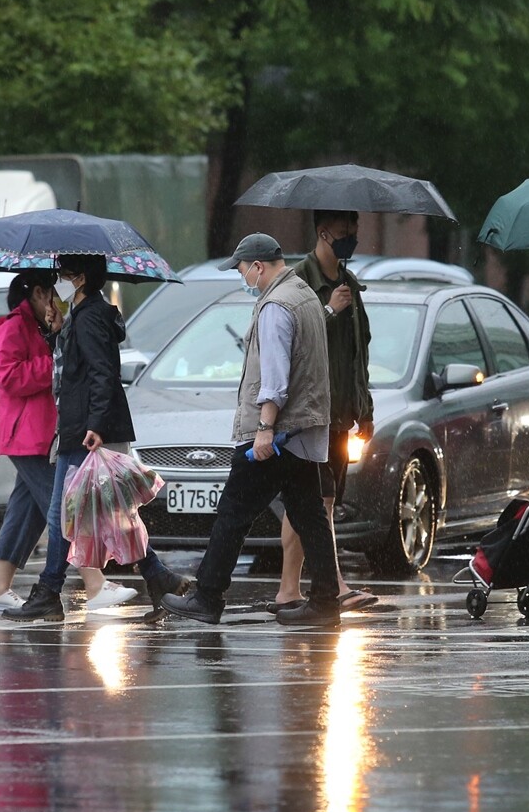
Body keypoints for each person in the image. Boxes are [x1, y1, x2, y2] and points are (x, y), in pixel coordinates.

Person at [162, 234, 341, 626]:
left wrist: (264, 428)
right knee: (310, 516)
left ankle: (208, 597)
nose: (242, 276)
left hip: (278, 434)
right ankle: (327, 601)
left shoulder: (275, 305)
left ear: (258, 266)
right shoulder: (305, 294)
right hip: (303, 430)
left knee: (232, 514)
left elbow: (276, 376)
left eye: (242, 269)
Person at [3, 254, 191, 622]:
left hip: (87, 432)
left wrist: (97, 427)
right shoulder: (81, 315)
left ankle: (49, 591)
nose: (57, 279)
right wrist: (56, 330)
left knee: (64, 514)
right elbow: (77, 367)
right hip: (79, 426)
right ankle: (157, 577)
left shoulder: (89, 317)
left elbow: (104, 374)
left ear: (79, 276)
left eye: (62, 272)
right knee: (114, 513)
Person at [270, 210, 377, 613]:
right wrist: (329, 310)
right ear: (324, 232)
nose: (352, 237)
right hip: (310, 415)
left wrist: (363, 408)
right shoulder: (298, 283)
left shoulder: (350, 284)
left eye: (356, 229)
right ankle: (332, 585)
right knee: (319, 501)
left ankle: (288, 589)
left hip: (340, 415)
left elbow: (358, 353)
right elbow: (294, 344)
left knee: (315, 503)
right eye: (346, 231)